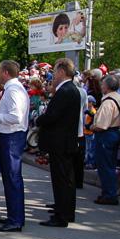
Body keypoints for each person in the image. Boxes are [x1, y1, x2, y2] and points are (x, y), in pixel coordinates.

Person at [34, 58, 82, 227]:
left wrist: (38, 120)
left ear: (62, 71)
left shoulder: (66, 91)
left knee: (62, 179)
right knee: (65, 179)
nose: (53, 75)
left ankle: (63, 215)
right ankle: (64, 210)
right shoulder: (70, 89)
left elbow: (53, 115)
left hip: (61, 142)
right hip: (64, 141)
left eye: (55, 71)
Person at [0, 60, 30, 232]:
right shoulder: (14, 89)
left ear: (6, 72)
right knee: (10, 178)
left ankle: (15, 219)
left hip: (11, 137)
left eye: (0, 70)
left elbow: (16, 116)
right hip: (11, 136)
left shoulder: (14, 90)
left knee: (12, 178)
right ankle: (14, 215)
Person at [92, 74, 120, 205]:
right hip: (116, 132)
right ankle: (110, 192)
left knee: (105, 166)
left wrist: (92, 126)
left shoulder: (108, 102)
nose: (101, 86)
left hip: (106, 134)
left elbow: (102, 124)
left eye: (103, 84)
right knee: (111, 165)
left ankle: (109, 194)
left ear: (107, 86)